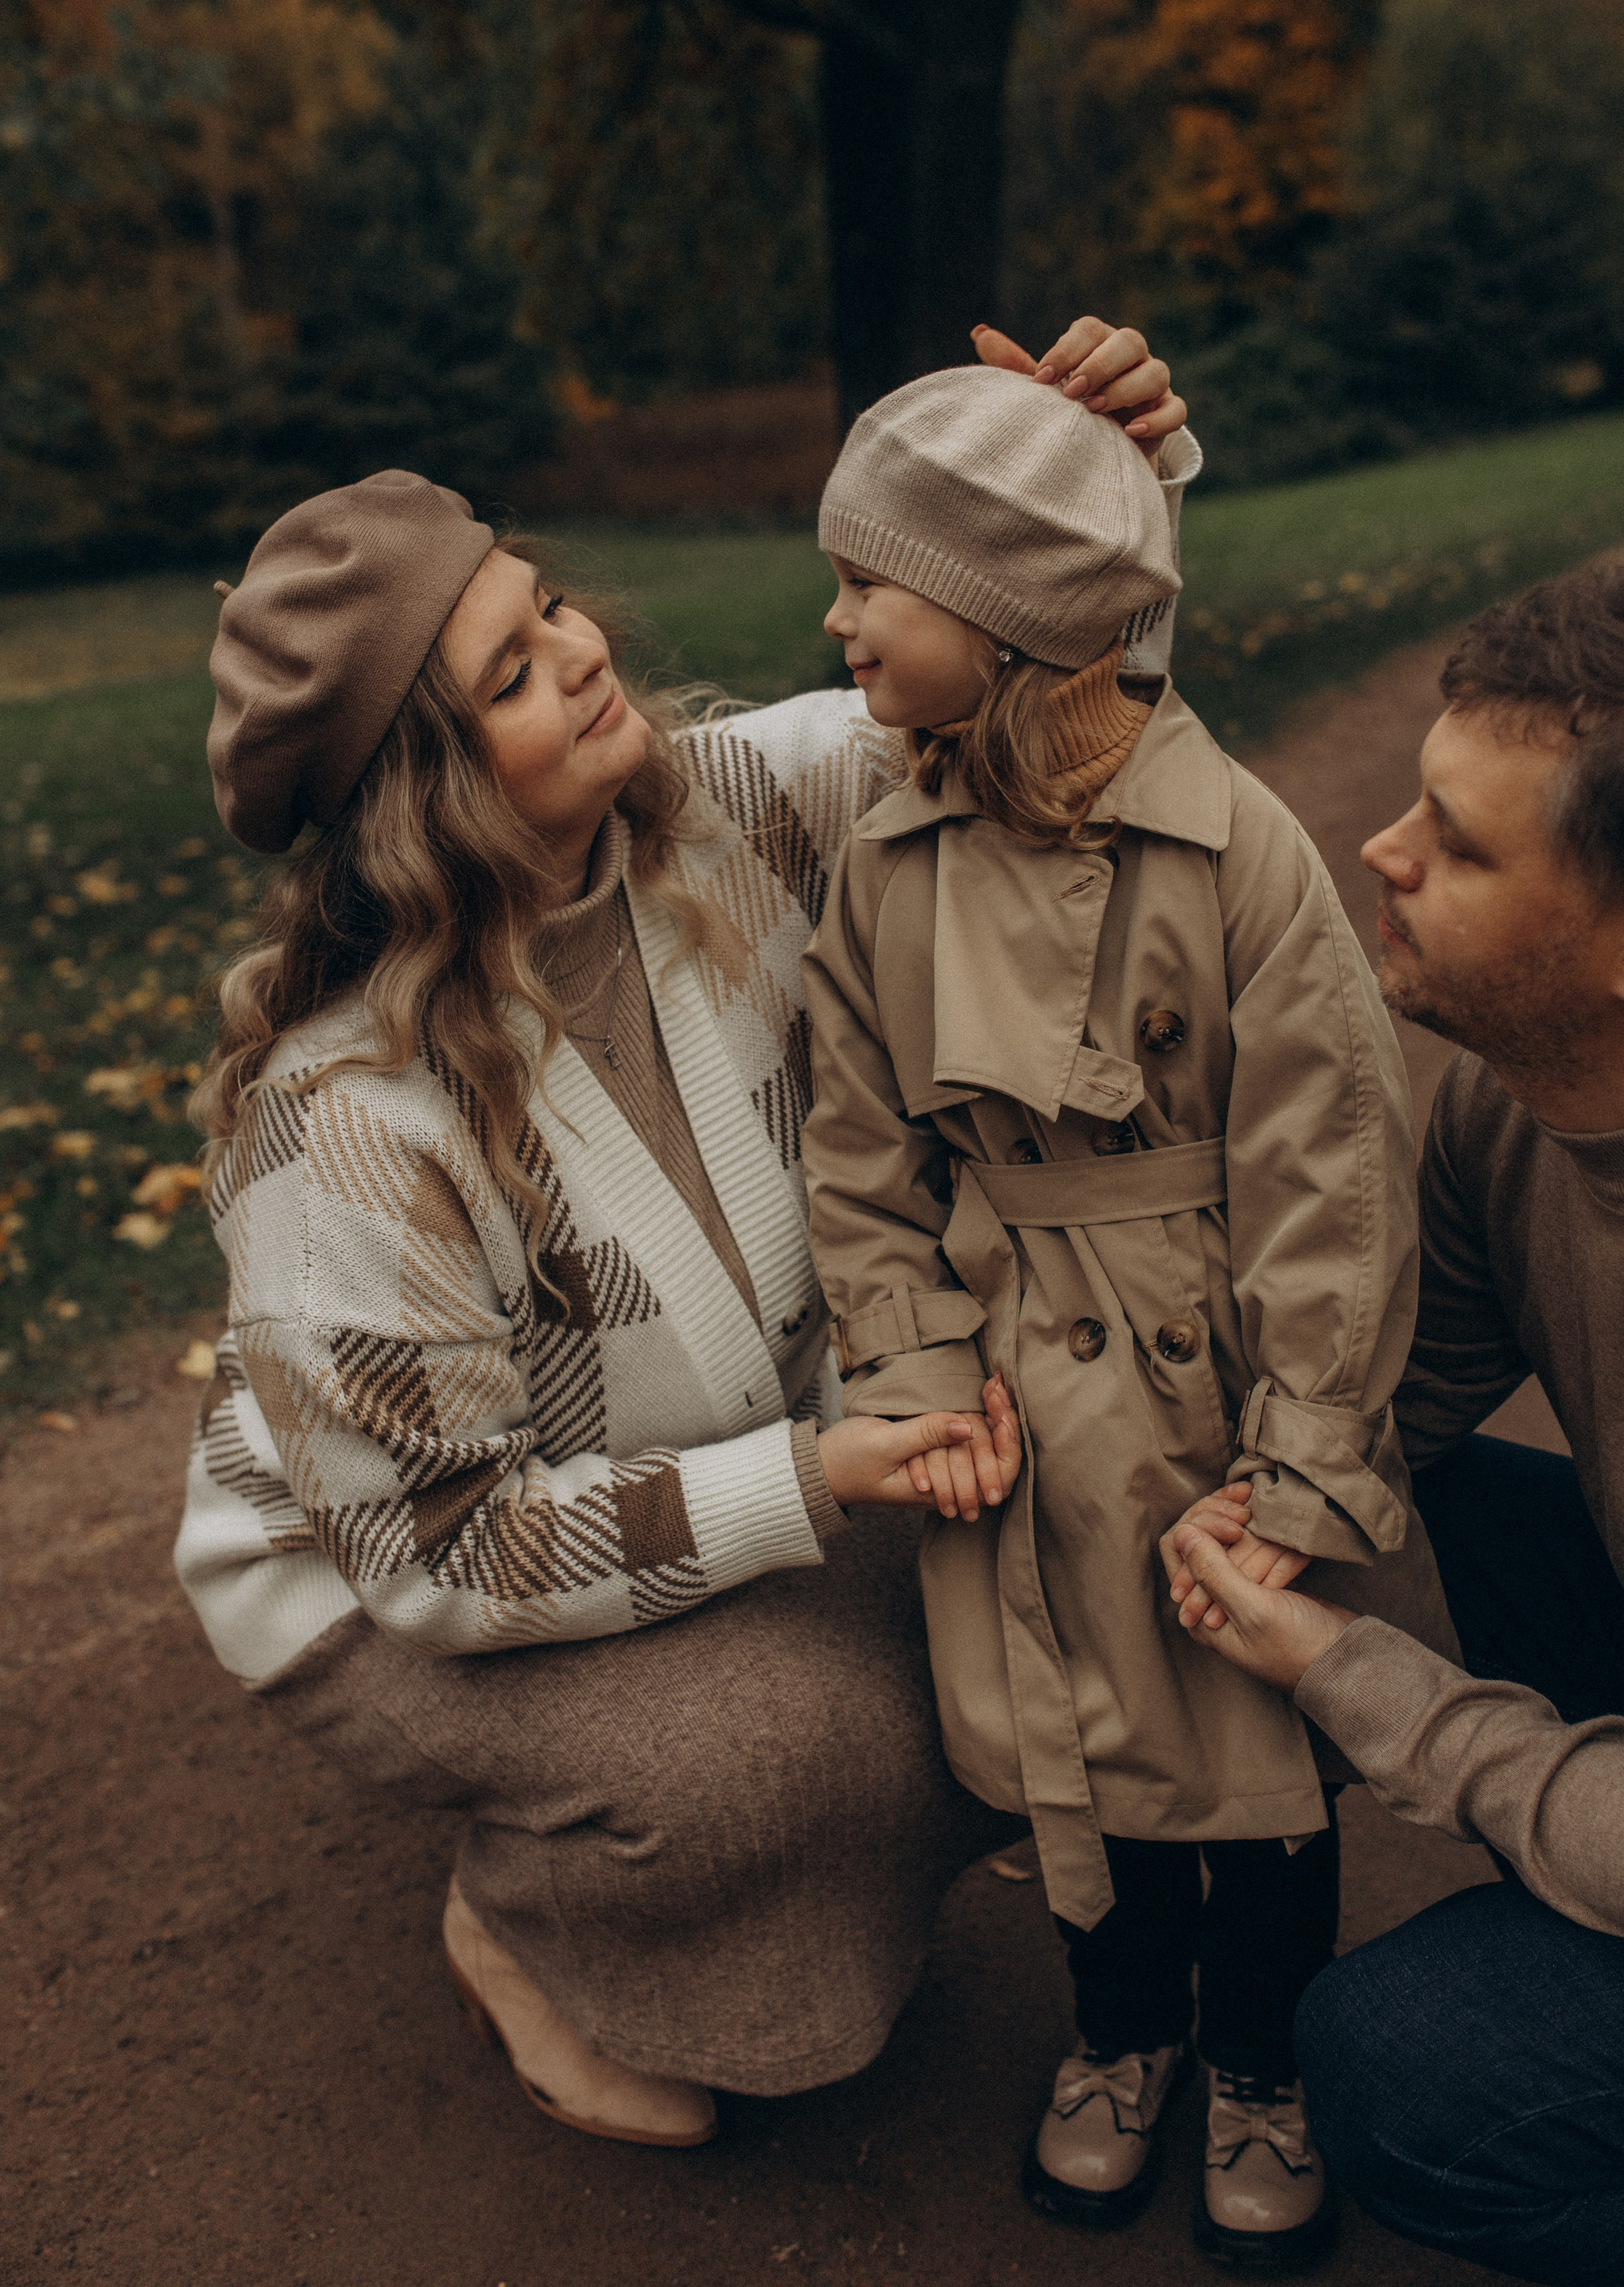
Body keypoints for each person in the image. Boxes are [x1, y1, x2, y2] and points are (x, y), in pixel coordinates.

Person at [170, 319, 1190, 2150]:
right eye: (507, 669)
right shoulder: (352, 1120)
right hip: (394, 1582)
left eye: (548, 606)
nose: (577, 652)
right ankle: (525, 1924)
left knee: (1059, 1552)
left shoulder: (723, 820)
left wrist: (1090, 491)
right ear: (426, 791)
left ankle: (733, 1804)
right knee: (791, 1763)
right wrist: (806, 1485)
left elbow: (1029, 737)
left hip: (686, 1465)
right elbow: (448, 1553)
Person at [797, 365, 1456, 2268]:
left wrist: (1304, 1458)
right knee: (1073, 1743)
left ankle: (1260, 2057)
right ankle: (1120, 2037)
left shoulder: (1230, 847)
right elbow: (861, 1156)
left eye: (870, 586)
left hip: (1213, 1400)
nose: (834, 624)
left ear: (1005, 626)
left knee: (1248, 1766)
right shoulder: (885, 859)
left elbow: (1333, 1170)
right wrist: (918, 1372)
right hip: (1012, 1387)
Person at [1166, 563, 1624, 2287]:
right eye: (1415, 801)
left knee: (1399, 2075)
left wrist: (1371, 1692)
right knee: (1375, 1524)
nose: (1381, 853)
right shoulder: (1516, 1107)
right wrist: (1252, 1508)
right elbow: (1394, 1403)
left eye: (1460, 845)